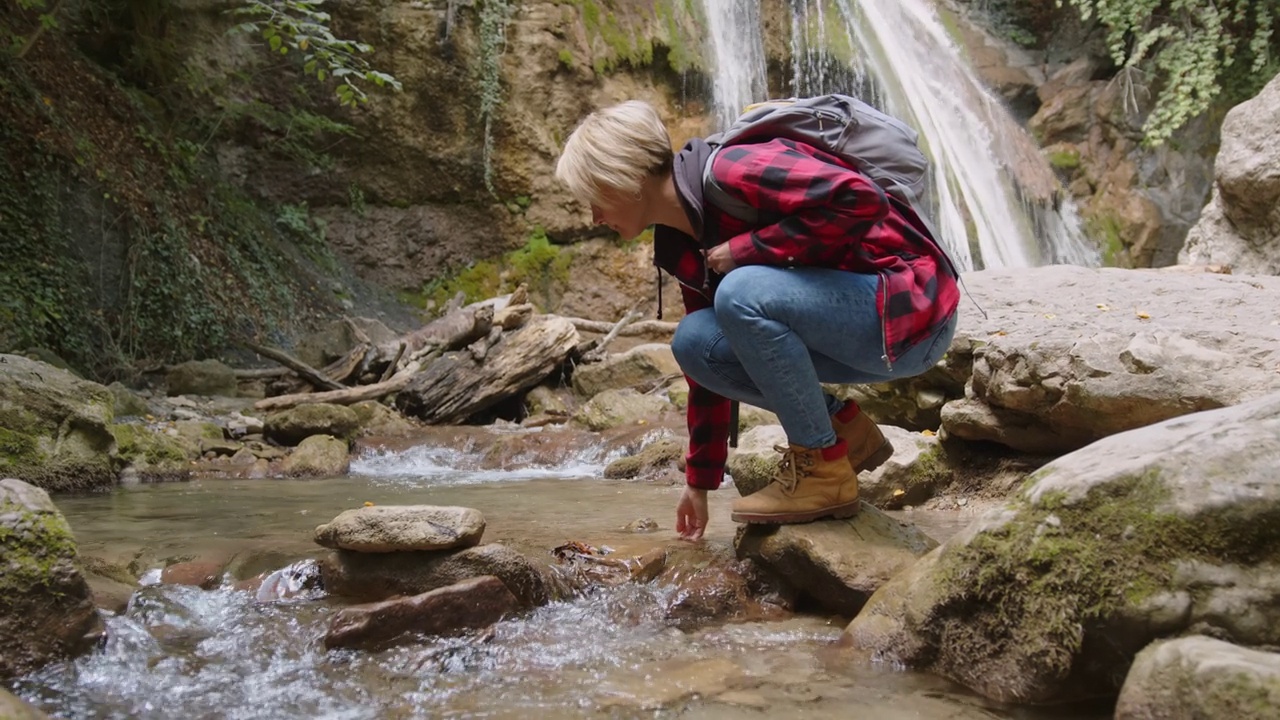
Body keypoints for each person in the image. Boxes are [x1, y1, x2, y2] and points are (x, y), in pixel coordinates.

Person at [554, 99, 959, 541]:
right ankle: (846, 430)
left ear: (625, 179)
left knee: (740, 292)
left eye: (595, 196)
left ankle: (821, 470)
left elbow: (861, 200)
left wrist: (747, 250)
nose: (594, 216)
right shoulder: (681, 243)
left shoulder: (735, 167)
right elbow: (708, 373)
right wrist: (700, 481)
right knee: (694, 343)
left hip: (911, 313)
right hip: (859, 335)